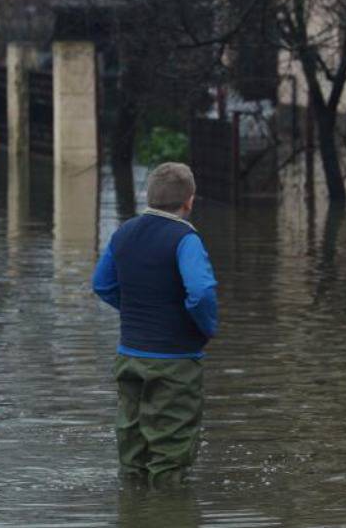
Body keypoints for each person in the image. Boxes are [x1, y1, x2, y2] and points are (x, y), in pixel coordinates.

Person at [92, 162, 219, 487]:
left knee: (132, 449)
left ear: (148, 196)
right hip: (174, 361)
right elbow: (201, 292)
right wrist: (204, 328)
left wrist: (136, 310)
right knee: (170, 455)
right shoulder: (185, 239)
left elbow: (102, 284)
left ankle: (133, 513)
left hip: (129, 356)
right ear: (189, 200)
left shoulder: (123, 233)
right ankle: (168, 514)